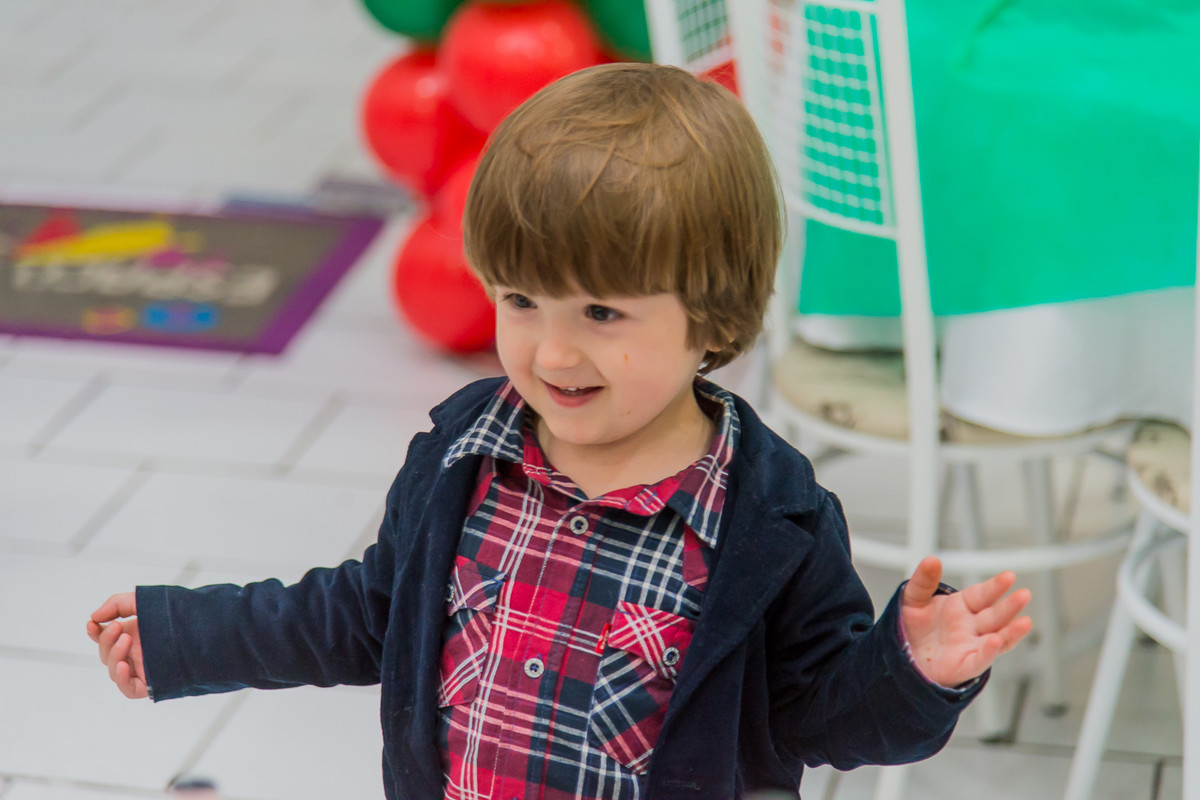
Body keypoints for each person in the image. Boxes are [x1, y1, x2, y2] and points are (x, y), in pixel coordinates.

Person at [87, 62, 1032, 798]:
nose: (549, 351)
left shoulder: (769, 520)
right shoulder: (463, 454)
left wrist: (910, 671)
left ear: (711, 317)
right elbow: (364, 615)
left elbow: (825, 717)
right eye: (522, 300)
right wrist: (187, 635)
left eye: (602, 315)